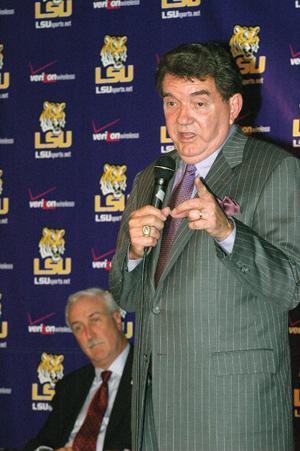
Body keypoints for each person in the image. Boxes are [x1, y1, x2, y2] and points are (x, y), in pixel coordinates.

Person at [109, 42, 300, 451]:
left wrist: (227, 231)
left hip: (233, 413)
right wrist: (135, 254)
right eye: (171, 103)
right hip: (156, 411)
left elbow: (291, 286)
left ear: (232, 106)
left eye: (199, 102)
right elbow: (127, 297)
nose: (182, 120)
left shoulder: (274, 169)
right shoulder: (150, 177)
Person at [23, 288, 132, 451]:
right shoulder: (70, 385)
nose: (89, 335)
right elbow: (43, 441)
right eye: (78, 328)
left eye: (95, 320)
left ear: (117, 319)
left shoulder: (152, 376)